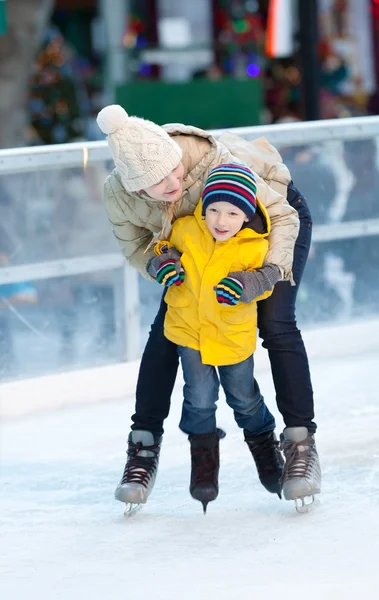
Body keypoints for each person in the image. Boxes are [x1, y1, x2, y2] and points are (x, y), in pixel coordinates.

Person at [96, 104, 321, 512]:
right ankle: (143, 449)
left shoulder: (210, 161)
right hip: (198, 247)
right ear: (136, 186)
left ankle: (300, 444)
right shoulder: (119, 196)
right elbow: (135, 246)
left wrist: (265, 275)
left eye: (176, 173)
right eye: (160, 183)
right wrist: (156, 262)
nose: (175, 183)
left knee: (276, 322)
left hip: (269, 220)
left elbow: (282, 217)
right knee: (170, 331)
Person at [152, 164, 284, 512]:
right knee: (198, 398)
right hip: (189, 332)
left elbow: (267, 278)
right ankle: (204, 464)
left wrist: (245, 285)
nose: (220, 220)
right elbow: (160, 252)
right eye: (213, 210)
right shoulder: (184, 230)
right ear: (203, 208)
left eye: (231, 212)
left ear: (246, 214)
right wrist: (164, 265)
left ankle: (264, 447)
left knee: (243, 398)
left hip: (231, 338)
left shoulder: (254, 247)